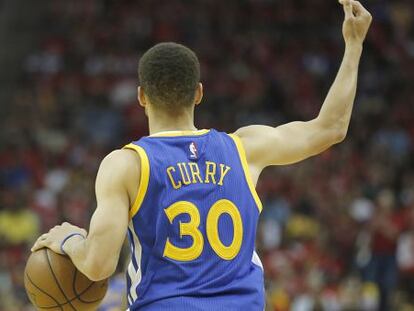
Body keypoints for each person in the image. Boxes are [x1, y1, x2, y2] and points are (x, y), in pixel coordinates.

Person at [31, 1, 372, 310]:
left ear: (141, 97)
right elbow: (331, 128)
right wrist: (354, 46)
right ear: (198, 94)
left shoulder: (126, 165)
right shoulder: (244, 148)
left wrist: (70, 241)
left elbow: (99, 265)